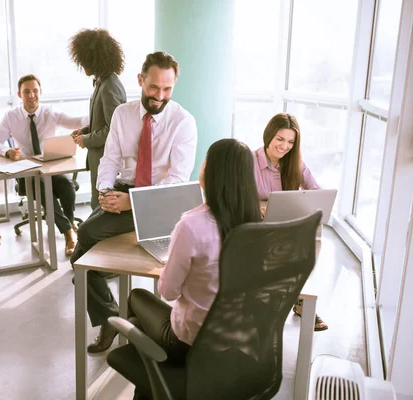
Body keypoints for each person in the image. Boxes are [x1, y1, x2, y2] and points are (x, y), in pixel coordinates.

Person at [70, 52, 198, 353]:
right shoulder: (123, 114)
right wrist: (104, 191)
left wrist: (132, 203)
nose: (160, 95)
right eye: (154, 87)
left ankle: (109, 315)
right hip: (122, 190)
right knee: (84, 255)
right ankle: (108, 305)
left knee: (84, 247)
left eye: (168, 89)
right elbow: (110, 157)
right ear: (141, 80)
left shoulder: (183, 122)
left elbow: (177, 180)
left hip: (160, 200)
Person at [127, 139, 261, 398]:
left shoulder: (191, 226)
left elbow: (167, 291)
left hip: (192, 342)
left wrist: (175, 266)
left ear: (210, 172)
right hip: (236, 342)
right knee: (139, 327)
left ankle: (153, 384)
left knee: (136, 300)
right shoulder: (256, 224)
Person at [0, 74, 89, 256]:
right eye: (26, 92)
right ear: (20, 95)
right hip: (26, 172)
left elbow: (76, 121)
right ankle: (68, 232)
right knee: (43, 190)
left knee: (67, 186)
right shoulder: (11, 117)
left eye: (35, 91)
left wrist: (95, 117)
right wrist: (7, 151)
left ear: (40, 92)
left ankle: (67, 220)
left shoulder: (49, 113)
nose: (31, 95)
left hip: (49, 167)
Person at [253, 112, 328, 331]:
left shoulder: (295, 164)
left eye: (290, 141)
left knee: (307, 242)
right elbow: (235, 197)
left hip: (285, 228)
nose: (284, 146)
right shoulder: (247, 161)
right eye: (280, 139)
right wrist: (258, 208)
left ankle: (300, 299)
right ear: (268, 136)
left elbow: (317, 193)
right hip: (255, 227)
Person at [68, 28, 127, 209]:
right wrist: (85, 130)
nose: (82, 65)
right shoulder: (101, 82)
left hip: (106, 161)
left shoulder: (110, 87)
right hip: (98, 159)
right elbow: (102, 121)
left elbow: (114, 130)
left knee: (100, 207)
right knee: (97, 206)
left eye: (85, 60)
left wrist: (86, 139)